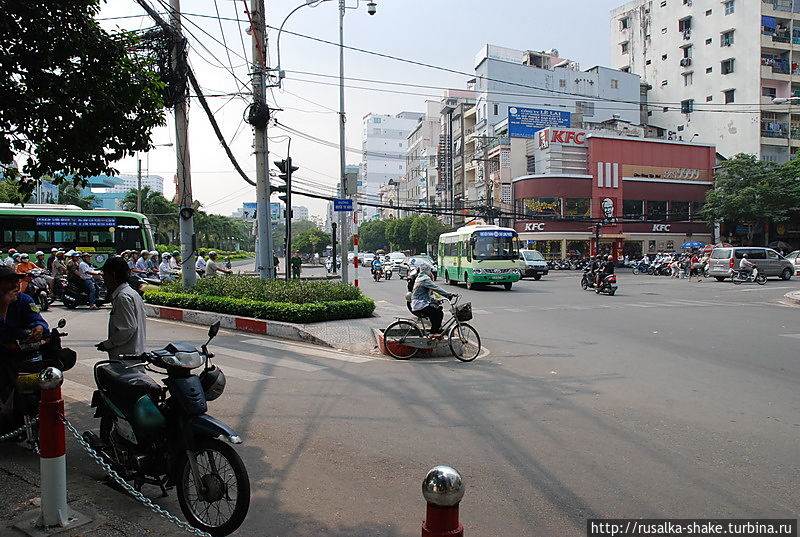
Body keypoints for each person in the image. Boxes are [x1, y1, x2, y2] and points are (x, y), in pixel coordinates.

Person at [95, 256, 146, 359]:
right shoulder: (131, 294)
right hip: (133, 354)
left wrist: (108, 344)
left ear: (112, 275)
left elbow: (127, 329)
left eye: (105, 275)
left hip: (125, 357)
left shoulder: (122, 297)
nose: (103, 278)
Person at [0, 265, 49, 347]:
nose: (15, 285)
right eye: (9, 282)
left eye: (16, 281)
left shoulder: (24, 299)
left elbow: (36, 317)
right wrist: (4, 304)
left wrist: (39, 327)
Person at [410, 264, 458, 338]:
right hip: (419, 304)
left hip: (420, 302)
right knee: (438, 313)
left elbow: (427, 295)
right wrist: (448, 294)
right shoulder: (424, 278)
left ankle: (435, 332)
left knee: (437, 311)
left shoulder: (420, 277)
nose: (430, 273)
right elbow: (436, 288)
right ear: (427, 270)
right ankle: (433, 333)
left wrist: (435, 301)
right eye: (429, 271)